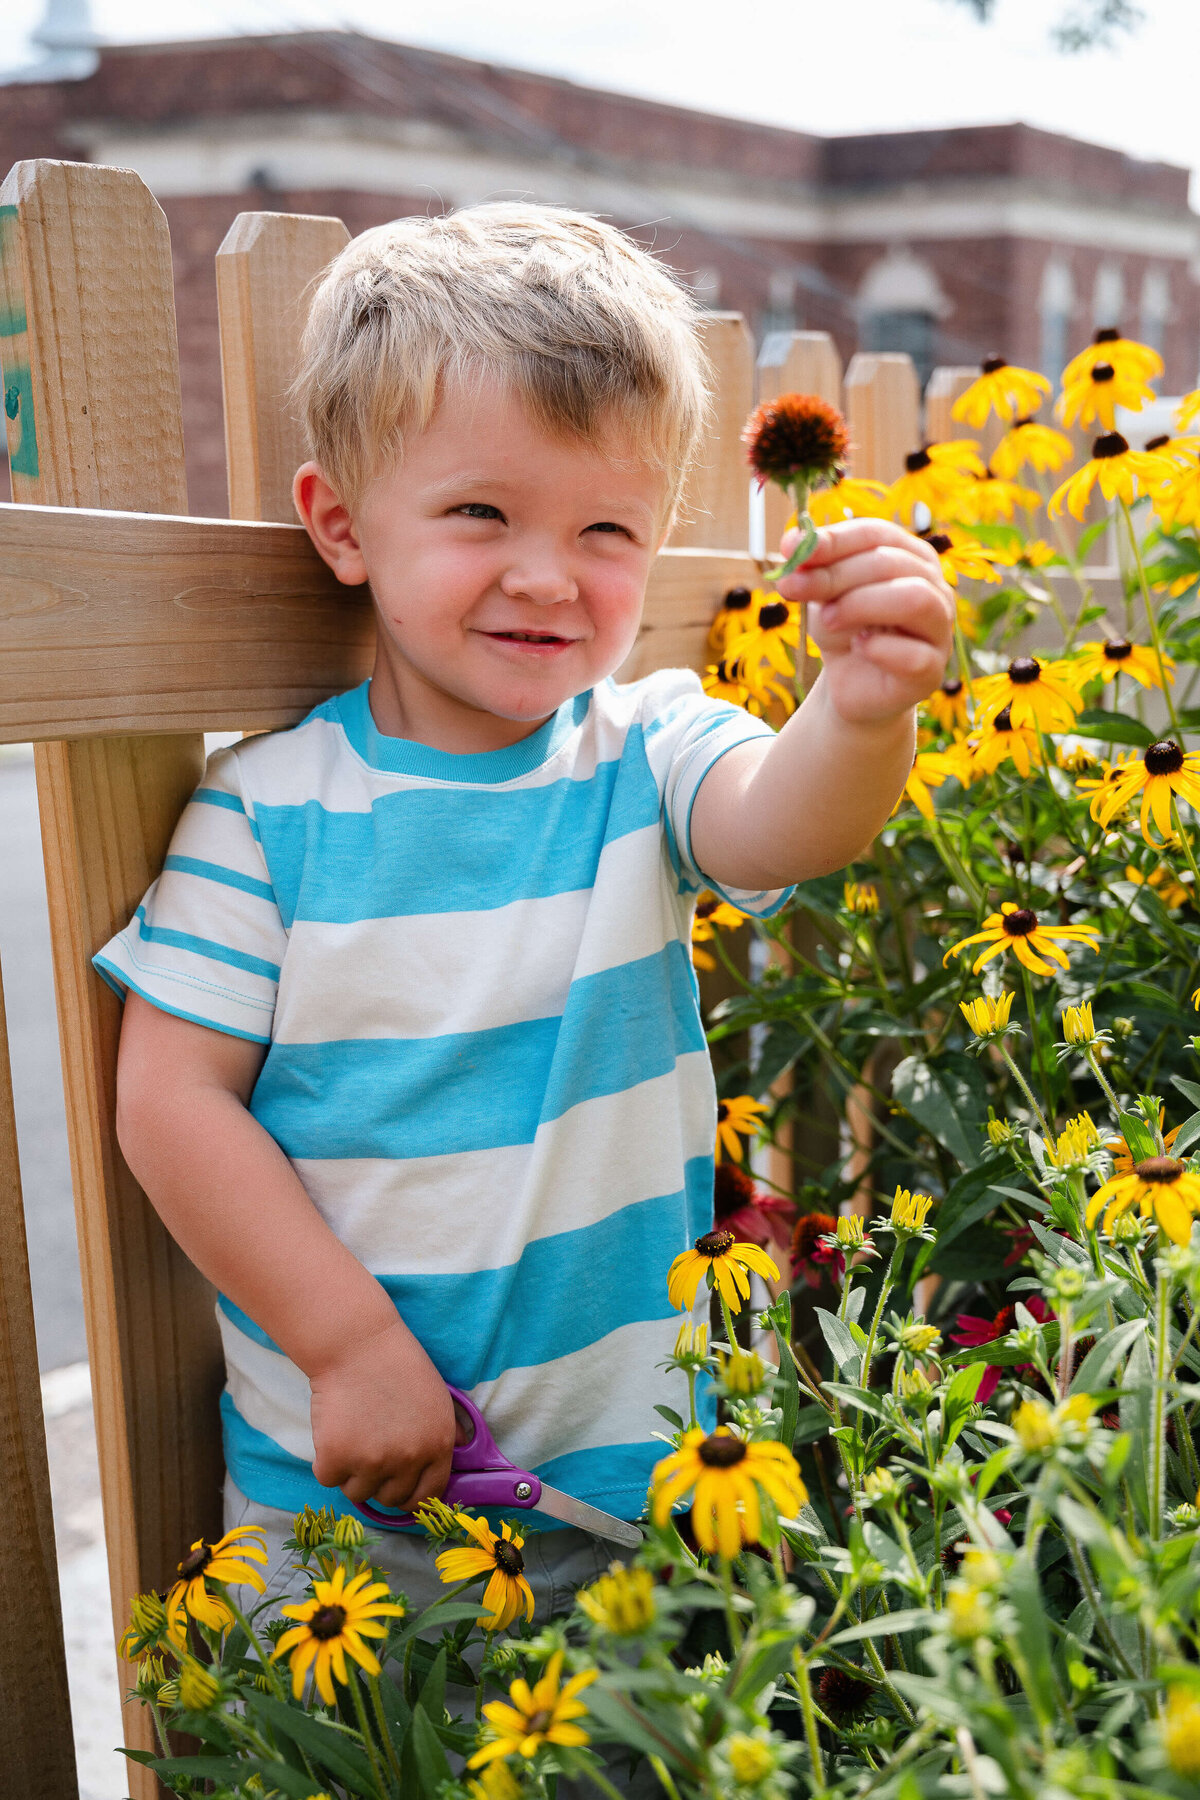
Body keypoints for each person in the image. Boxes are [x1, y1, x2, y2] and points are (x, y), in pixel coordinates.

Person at [101, 205, 953, 1628]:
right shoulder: (269, 814)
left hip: (634, 1482)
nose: (548, 573)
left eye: (604, 527)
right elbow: (172, 1103)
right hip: (354, 1498)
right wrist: (349, 1344)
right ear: (341, 525)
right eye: (482, 513)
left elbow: (785, 818)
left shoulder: (645, 751)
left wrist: (861, 714)